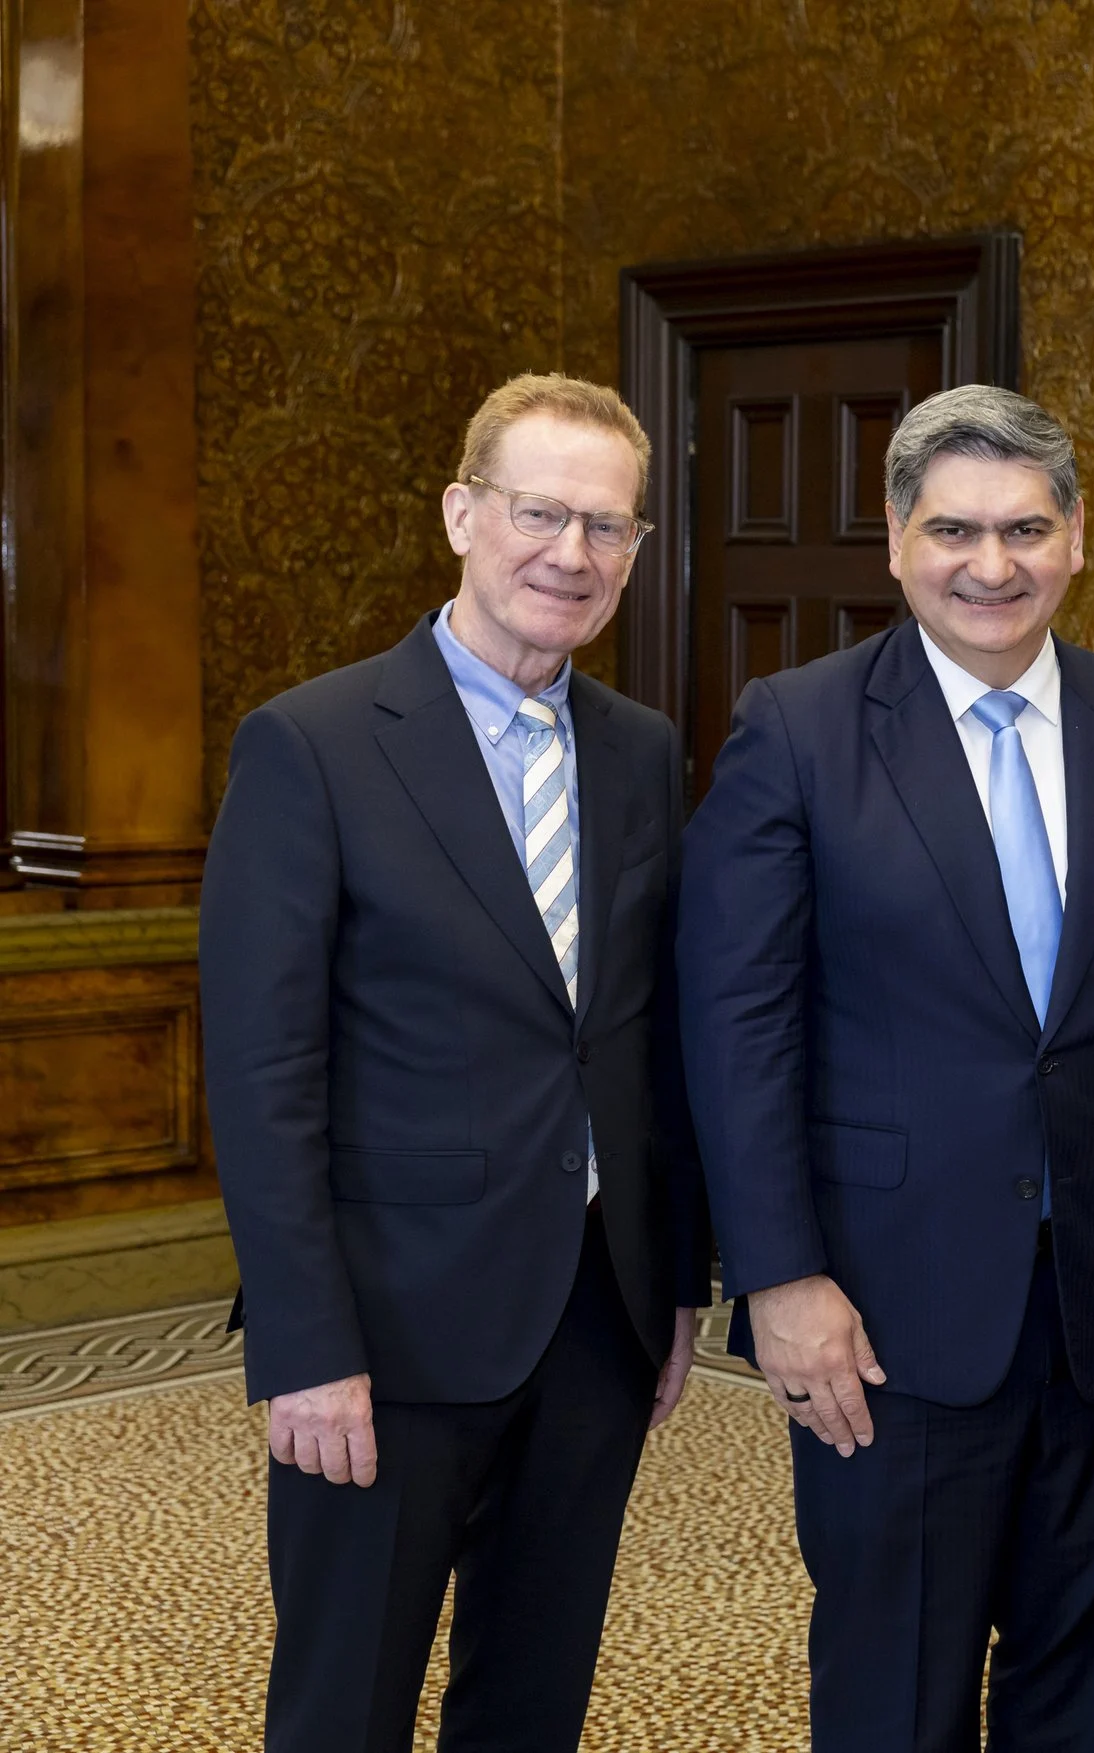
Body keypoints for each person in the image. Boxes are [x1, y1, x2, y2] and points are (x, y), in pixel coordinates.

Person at [676, 384, 1094, 1751]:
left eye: (1023, 529)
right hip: (889, 1317)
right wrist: (778, 1273)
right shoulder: (799, 729)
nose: (989, 566)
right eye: (953, 530)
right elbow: (738, 1024)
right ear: (895, 539)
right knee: (897, 1698)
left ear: (1077, 538)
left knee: (1089, 1686)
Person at [200, 373, 708, 1752]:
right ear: (461, 514)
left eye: (610, 527)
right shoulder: (311, 744)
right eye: (541, 512)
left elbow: (653, 1035)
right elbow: (259, 1072)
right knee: (344, 1707)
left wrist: (673, 1286)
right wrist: (303, 1344)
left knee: (532, 1701)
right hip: (385, 1334)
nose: (573, 553)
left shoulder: (643, 751)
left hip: (596, 1321)